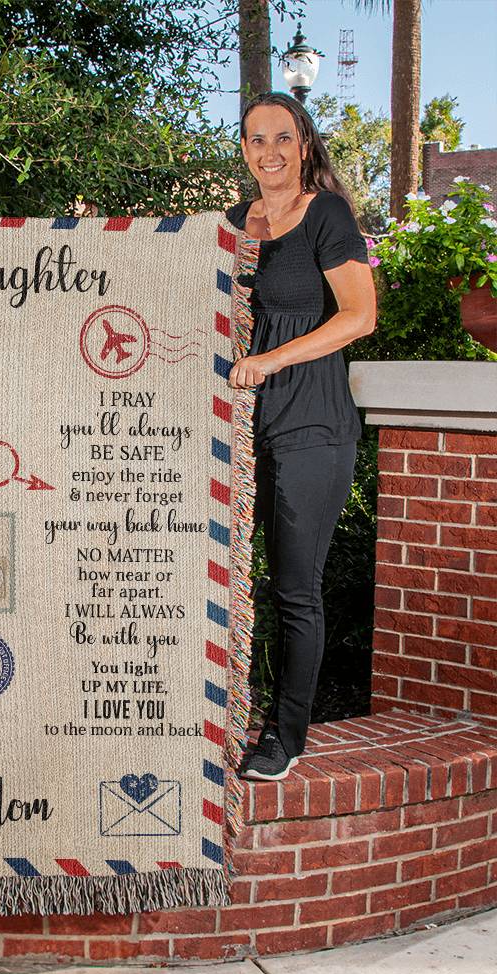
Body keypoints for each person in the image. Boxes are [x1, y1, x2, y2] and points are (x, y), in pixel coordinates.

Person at [225, 92, 376, 781]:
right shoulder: (233, 224)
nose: (271, 152)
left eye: (283, 138)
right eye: (257, 140)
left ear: (305, 144)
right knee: (230, 584)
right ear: (246, 149)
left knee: (294, 590)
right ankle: (221, 718)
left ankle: (283, 739)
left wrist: (271, 360)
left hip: (311, 427)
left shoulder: (326, 215)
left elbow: (360, 317)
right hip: (237, 430)